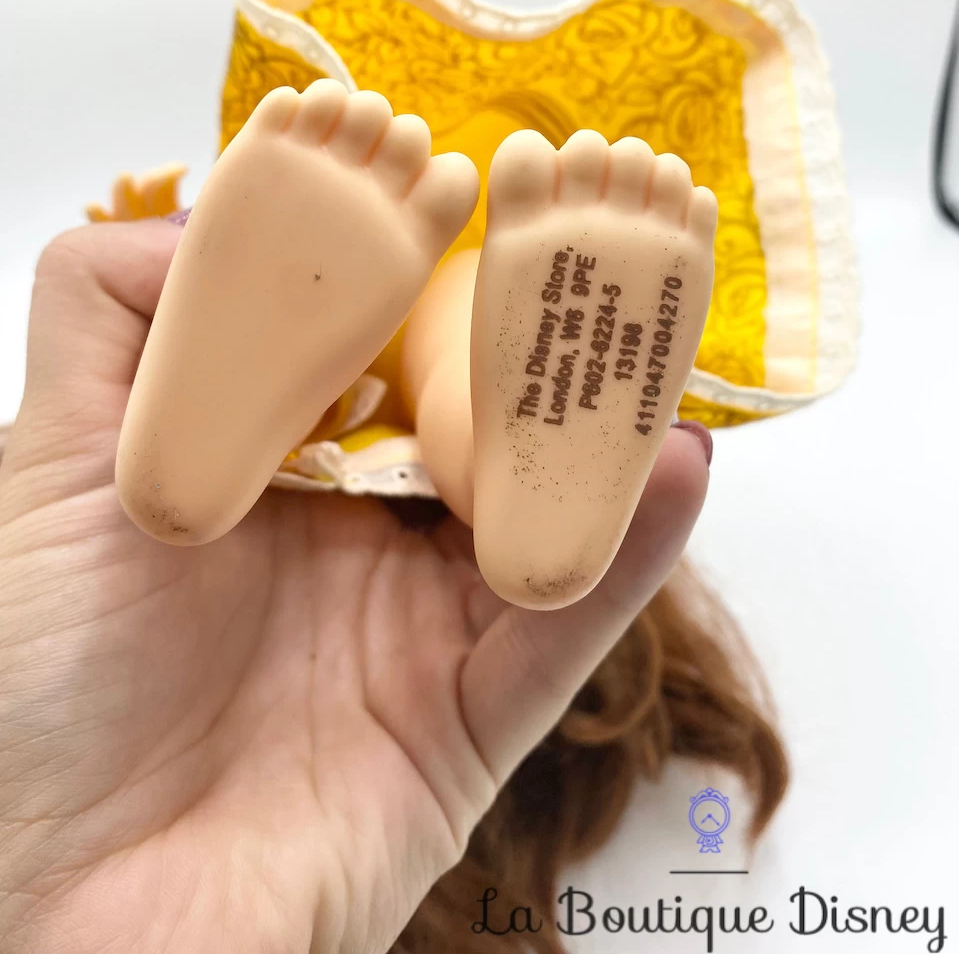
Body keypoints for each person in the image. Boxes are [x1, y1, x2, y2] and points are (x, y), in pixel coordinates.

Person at [0, 211, 731, 954]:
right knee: (457, 346)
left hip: (333, 385)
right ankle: (495, 428)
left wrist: (51, 882)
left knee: (448, 343)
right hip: (385, 384)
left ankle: (482, 422)